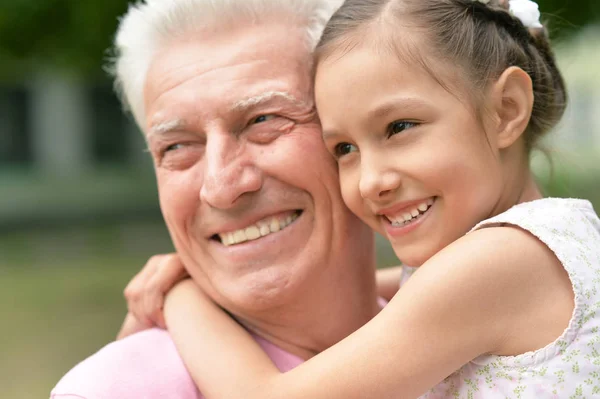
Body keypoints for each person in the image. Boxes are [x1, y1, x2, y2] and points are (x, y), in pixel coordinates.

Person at [147, 0, 600, 398]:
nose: (370, 181)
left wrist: (182, 295)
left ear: (506, 110)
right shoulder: (550, 240)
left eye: (399, 127)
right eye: (344, 149)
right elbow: (412, 286)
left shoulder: (497, 262)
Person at [50, 0, 402, 398]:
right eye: (178, 146)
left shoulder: (468, 350)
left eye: (263, 120)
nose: (222, 186)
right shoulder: (122, 389)